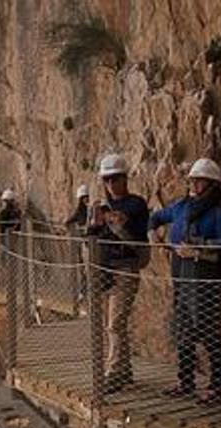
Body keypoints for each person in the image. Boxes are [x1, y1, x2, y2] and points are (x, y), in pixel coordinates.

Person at [149, 159, 221, 405]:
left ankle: (216, 387)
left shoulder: (220, 213)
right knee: (184, 329)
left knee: (209, 331)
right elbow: (155, 218)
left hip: (208, 279)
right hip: (182, 276)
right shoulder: (181, 207)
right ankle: (185, 381)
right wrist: (153, 234)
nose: (195, 184)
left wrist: (199, 249)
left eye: (200, 180)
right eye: (193, 180)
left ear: (212, 185)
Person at [87, 153, 150, 393]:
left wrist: (114, 221)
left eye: (115, 179)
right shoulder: (104, 207)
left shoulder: (136, 204)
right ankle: (124, 371)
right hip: (107, 268)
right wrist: (94, 224)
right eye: (107, 180)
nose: (111, 185)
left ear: (125, 179)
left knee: (115, 322)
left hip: (126, 266)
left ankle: (114, 371)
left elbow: (133, 229)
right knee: (113, 323)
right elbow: (92, 238)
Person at [0, 188, 22, 264]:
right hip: (7, 237)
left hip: (9, 237)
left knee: (10, 256)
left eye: (5, 201)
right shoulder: (8, 212)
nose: (3, 203)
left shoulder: (7, 212)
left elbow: (1, 223)